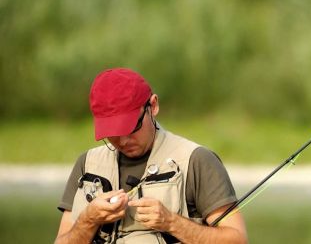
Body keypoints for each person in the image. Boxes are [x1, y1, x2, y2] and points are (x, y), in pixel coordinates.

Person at [55, 68, 247, 244]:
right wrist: (88, 220)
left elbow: (237, 239)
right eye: (112, 133)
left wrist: (172, 223)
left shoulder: (197, 160)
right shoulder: (86, 163)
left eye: (131, 128)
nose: (122, 141)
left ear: (153, 106)